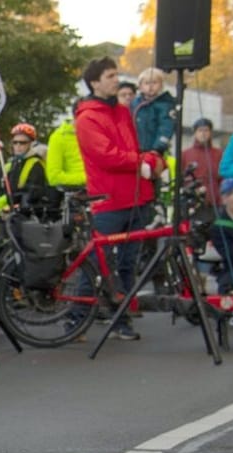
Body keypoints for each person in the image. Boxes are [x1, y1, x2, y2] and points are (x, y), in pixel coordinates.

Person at [73, 55, 163, 341]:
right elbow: (106, 156)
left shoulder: (124, 112)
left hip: (135, 197)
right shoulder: (87, 118)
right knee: (97, 263)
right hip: (108, 200)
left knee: (127, 264)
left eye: (116, 75)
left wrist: (148, 158)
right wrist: (142, 162)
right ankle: (75, 321)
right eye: (110, 76)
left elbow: (134, 147)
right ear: (95, 82)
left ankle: (121, 320)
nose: (116, 80)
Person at [134, 67, 177, 158]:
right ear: (140, 86)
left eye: (154, 83)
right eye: (147, 83)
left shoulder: (165, 105)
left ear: (161, 85)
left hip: (155, 151)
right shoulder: (135, 103)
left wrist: (158, 148)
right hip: (135, 150)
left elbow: (166, 127)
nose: (150, 86)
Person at [181, 117, 223, 206]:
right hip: (192, 201)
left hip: (214, 201)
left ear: (211, 133)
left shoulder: (219, 154)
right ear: (195, 133)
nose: (203, 134)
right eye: (200, 130)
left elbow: (222, 178)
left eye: (206, 130)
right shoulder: (185, 154)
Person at [45, 115, 86, 190]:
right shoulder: (58, 137)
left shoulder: (98, 132)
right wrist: (88, 178)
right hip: (77, 192)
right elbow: (54, 177)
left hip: (104, 189)